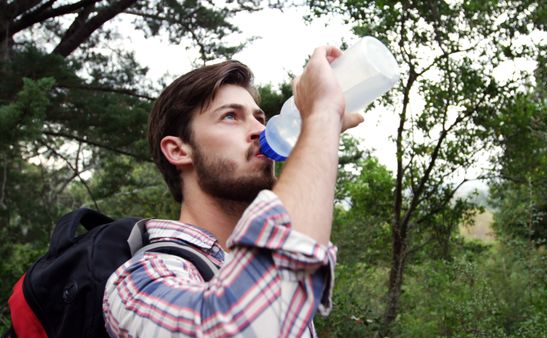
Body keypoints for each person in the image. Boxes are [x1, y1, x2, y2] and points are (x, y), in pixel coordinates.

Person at [102, 45, 364, 337]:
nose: (259, 131)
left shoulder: (275, 275)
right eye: (230, 116)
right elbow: (243, 327)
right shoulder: (140, 280)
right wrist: (322, 113)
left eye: (260, 118)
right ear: (178, 150)